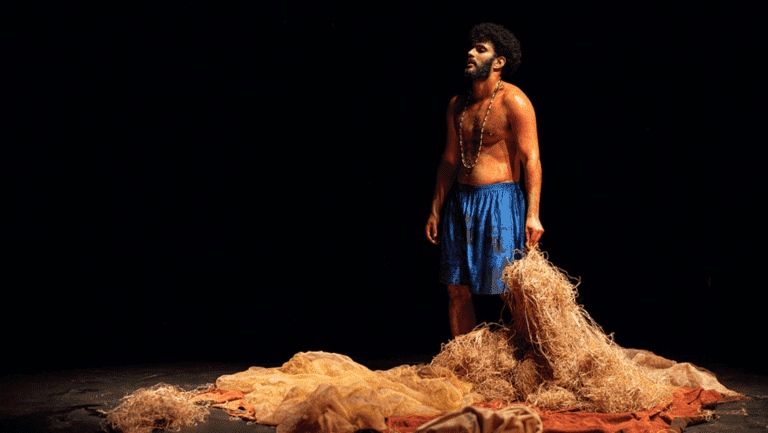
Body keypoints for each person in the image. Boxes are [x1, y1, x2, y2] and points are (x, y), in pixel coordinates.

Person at [425, 23, 544, 338]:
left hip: (500, 202)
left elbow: (531, 158)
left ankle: (526, 359)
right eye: (471, 47)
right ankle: (463, 360)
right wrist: (436, 209)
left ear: (499, 61)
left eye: (481, 49)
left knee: (508, 288)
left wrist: (533, 214)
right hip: (460, 202)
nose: (470, 52)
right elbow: (449, 160)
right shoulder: (457, 105)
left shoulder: (513, 101)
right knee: (456, 289)